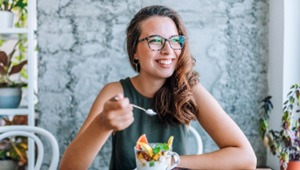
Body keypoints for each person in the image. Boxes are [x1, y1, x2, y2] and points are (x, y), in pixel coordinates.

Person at [60, 5, 257, 170]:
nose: (168, 51)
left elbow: (246, 158)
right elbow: (68, 167)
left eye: (174, 41)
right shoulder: (116, 93)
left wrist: (172, 160)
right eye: (155, 41)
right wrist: (102, 124)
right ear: (134, 50)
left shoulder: (188, 89)